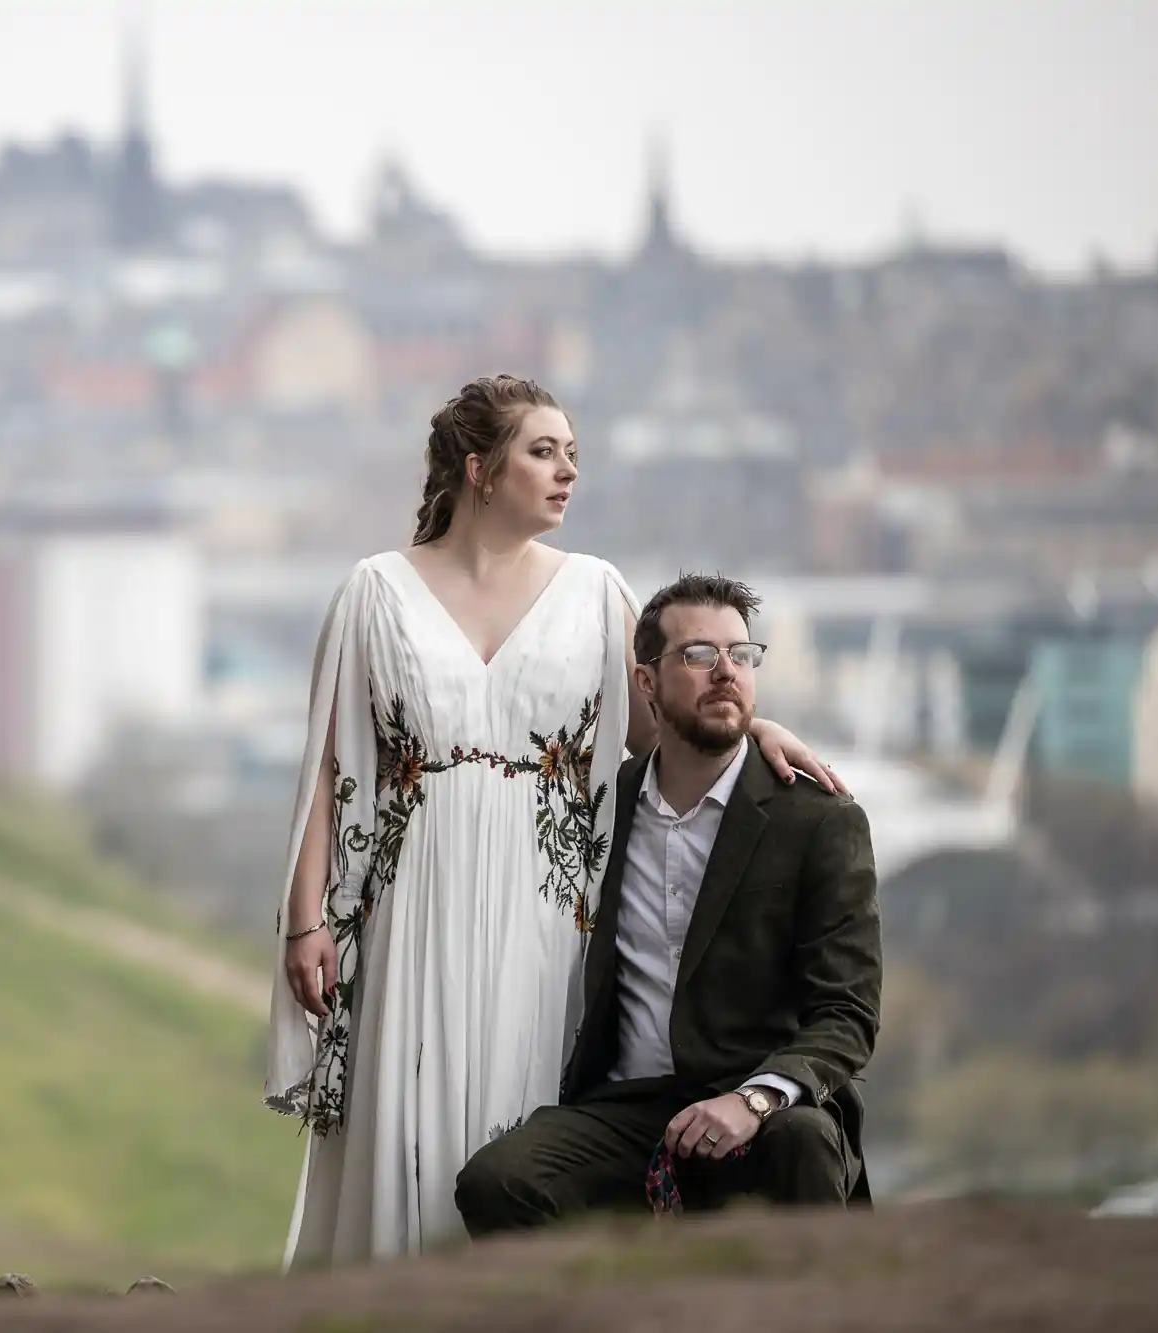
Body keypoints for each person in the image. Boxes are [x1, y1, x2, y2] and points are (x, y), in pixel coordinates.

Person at [263, 376, 845, 1268]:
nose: (569, 470)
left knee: (523, 1118)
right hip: (414, 900)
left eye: (573, 453)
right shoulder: (373, 592)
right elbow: (331, 765)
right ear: (478, 468)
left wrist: (753, 722)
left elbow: (664, 728)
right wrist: (306, 921)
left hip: (551, 913)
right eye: (545, 451)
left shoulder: (596, 591)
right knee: (405, 1123)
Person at [453, 573, 880, 1235]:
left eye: (741, 655)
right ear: (646, 682)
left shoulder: (819, 819)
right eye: (699, 656)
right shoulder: (601, 806)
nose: (726, 672)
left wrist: (755, 1097)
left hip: (764, 1102)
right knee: (497, 1181)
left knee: (804, 1144)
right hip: (629, 1103)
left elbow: (848, 1012)